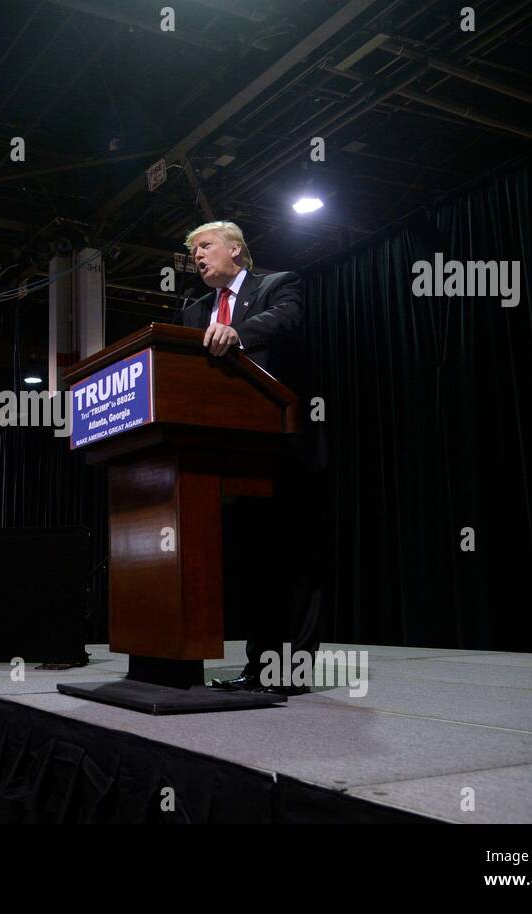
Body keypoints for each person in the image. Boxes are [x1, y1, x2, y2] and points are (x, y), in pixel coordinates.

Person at [179, 220, 325, 696]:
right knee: (254, 563)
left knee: (295, 559)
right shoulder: (194, 309)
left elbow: (287, 322)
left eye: (205, 246)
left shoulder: (277, 285)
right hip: (228, 452)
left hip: (284, 445)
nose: (197, 256)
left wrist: (235, 333)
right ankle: (260, 666)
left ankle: (294, 670)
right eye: (192, 251)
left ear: (236, 249)